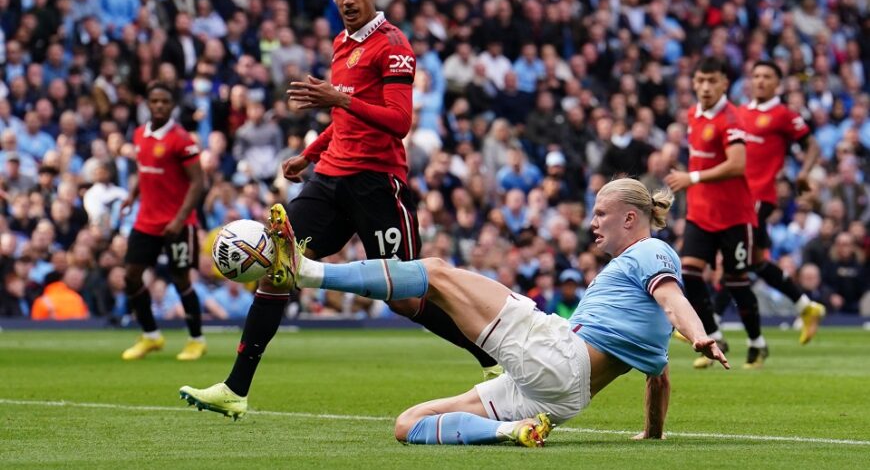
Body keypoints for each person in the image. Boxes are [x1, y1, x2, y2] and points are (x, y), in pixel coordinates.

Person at [181, 178, 729, 447]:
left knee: (437, 271)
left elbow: (673, 300)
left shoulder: (650, 252)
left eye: (602, 215)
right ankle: (513, 432)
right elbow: (658, 376)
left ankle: (303, 271)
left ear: (632, 219)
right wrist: (651, 436)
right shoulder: (641, 288)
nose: (593, 224)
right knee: (407, 426)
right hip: (561, 399)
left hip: (559, 355)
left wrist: (701, 334)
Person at [194, 0, 499, 406]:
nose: (347, 0)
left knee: (406, 297)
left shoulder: (394, 45)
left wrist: (337, 97)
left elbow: (398, 121)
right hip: (330, 179)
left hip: (377, 184)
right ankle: (234, 389)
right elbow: (344, 117)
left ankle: (491, 356)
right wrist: (308, 155)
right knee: (277, 269)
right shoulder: (341, 43)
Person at [664, 57, 766, 369]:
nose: (705, 87)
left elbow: (737, 164)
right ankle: (714, 334)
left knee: (736, 280)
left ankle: (757, 343)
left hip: (734, 215)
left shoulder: (732, 118)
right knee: (690, 275)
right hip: (700, 213)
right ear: (693, 83)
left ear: (724, 83)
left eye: (712, 81)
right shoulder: (693, 114)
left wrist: (691, 178)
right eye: (700, 81)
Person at [733, 60, 826, 343]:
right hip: (736, 197)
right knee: (755, 262)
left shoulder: (784, 114)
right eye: (756, 75)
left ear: (778, 83)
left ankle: (707, 324)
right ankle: (806, 306)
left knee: (735, 259)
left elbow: (813, 145)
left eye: (767, 76)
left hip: (761, 196)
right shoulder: (739, 113)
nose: (760, 81)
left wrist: (805, 173)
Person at [119, 82, 206, 360]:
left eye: (164, 102)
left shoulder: (182, 139)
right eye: (154, 101)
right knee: (131, 276)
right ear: (147, 103)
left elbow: (198, 182)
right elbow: (144, 171)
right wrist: (132, 195)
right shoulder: (138, 134)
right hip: (146, 221)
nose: (158, 106)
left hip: (177, 223)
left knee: (181, 279)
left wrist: (180, 219)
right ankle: (151, 336)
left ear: (172, 106)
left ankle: (196, 339)